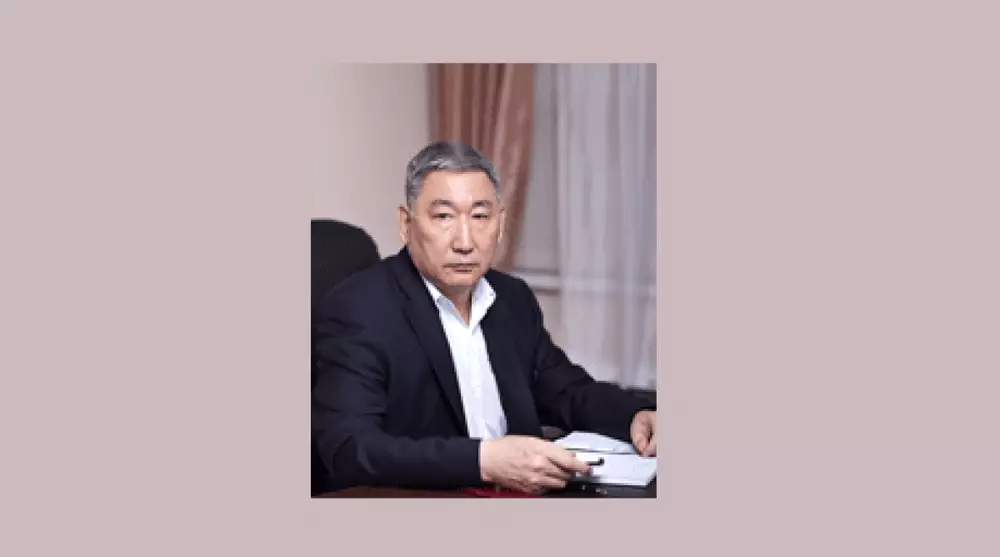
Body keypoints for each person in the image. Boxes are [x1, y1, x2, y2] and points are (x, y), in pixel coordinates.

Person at [312, 140, 657, 494]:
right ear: (406, 223)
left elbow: (565, 391)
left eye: (479, 217)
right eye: (444, 217)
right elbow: (351, 449)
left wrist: (634, 415)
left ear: (500, 223)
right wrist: (483, 461)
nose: (465, 242)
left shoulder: (511, 298)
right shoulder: (359, 308)